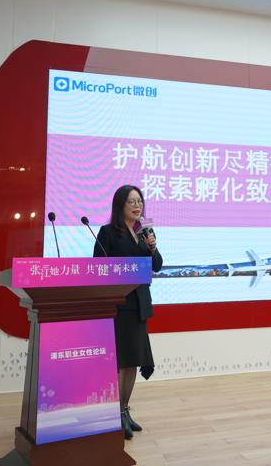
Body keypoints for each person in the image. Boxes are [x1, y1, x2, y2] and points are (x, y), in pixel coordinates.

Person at [93, 185, 163, 440]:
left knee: (133, 360)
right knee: (120, 362)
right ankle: (114, 415)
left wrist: (152, 248)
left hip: (139, 304)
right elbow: (98, 267)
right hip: (118, 306)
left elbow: (157, 265)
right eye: (132, 201)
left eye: (140, 201)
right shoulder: (108, 232)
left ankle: (124, 410)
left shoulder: (145, 232)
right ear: (120, 205)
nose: (137, 206)